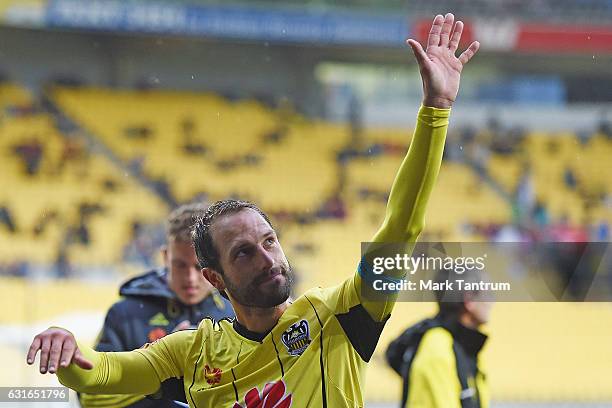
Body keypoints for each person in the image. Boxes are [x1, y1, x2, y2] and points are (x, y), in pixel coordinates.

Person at [26, 13, 480, 408]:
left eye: (269, 241)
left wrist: (435, 111)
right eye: (243, 252)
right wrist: (68, 358)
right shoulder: (192, 353)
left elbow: (401, 227)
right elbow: (103, 375)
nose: (268, 258)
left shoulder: (338, 315)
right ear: (215, 279)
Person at [79, 203, 234, 408]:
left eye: (199, 267)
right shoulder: (125, 314)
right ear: (165, 257)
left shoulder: (235, 311)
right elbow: (91, 397)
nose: (190, 278)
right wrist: (164, 361)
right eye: (180, 265)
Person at [386, 268, 492, 408]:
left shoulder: (465, 348)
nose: (492, 301)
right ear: (469, 300)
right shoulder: (438, 347)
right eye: (487, 293)